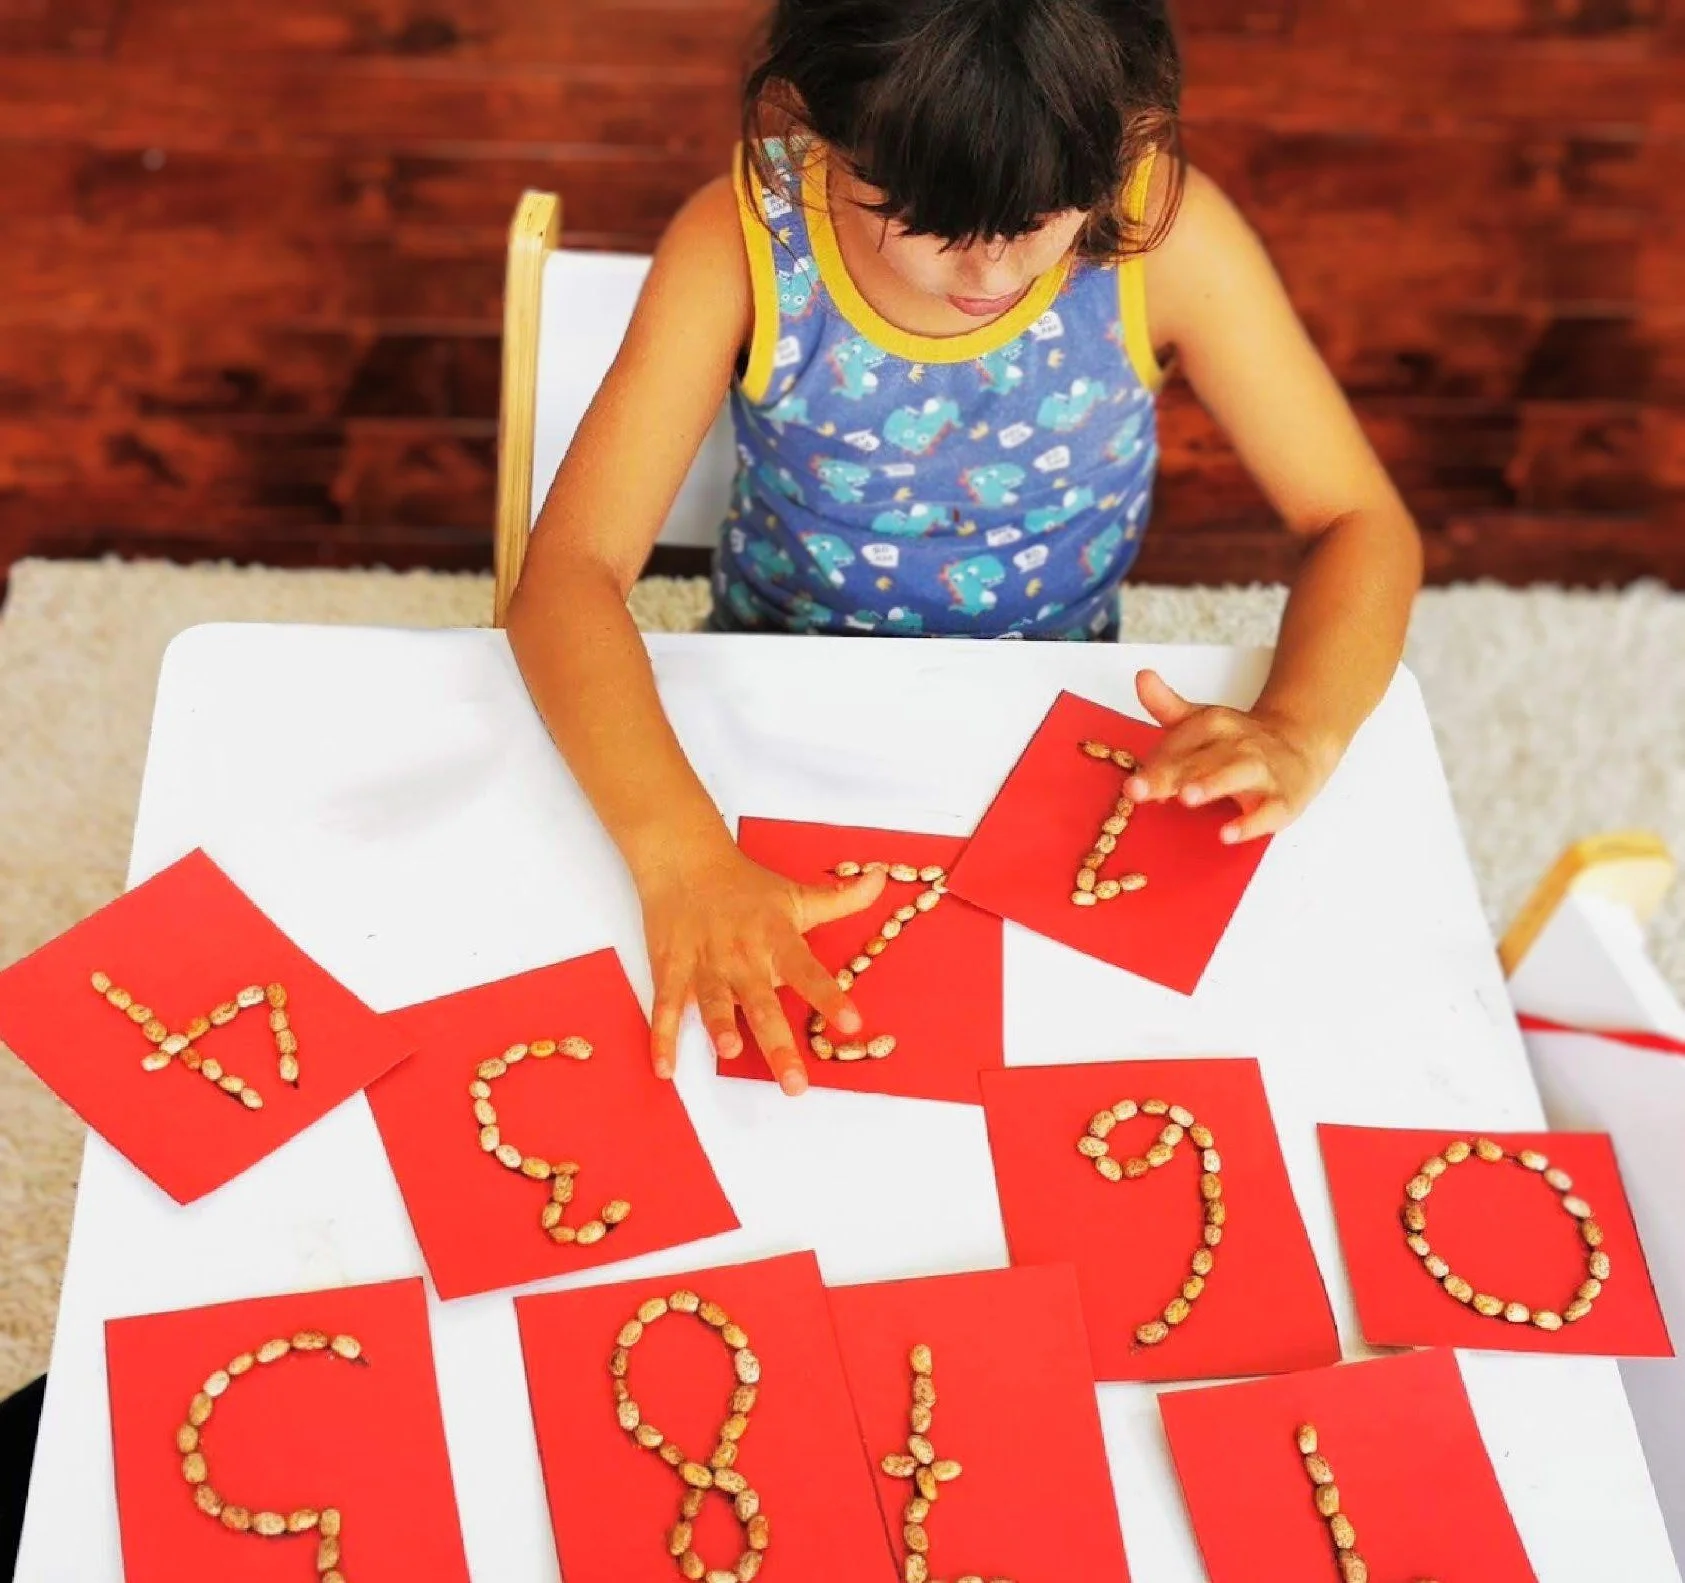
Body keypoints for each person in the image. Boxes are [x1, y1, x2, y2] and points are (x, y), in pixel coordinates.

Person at [507, 0, 1423, 1095]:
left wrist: (1296, 728)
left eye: (1042, 218)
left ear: (1125, 141)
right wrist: (681, 853)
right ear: (819, 125)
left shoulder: (1164, 237)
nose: (991, 270)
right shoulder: (742, 238)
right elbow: (564, 575)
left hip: (1051, 734)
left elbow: (1358, 522)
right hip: (762, 715)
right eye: (933, 221)